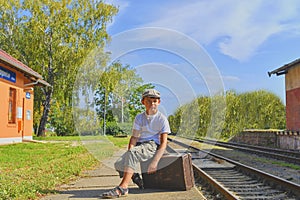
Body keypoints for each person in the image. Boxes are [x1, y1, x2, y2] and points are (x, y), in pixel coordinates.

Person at [102, 88, 170, 198]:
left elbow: (163, 143)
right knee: (118, 164)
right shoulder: (139, 118)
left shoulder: (162, 119)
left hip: (151, 145)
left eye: (155, 101)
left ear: (159, 102)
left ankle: (123, 188)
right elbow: (134, 137)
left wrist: (155, 162)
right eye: (149, 101)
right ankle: (135, 177)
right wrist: (129, 151)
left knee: (132, 154)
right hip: (139, 144)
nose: (152, 103)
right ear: (143, 102)